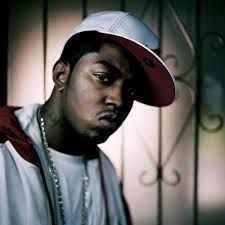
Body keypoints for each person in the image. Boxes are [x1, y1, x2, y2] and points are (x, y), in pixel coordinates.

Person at [0, 11, 176, 225]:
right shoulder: (5, 152)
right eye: (103, 78)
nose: (118, 100)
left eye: (130, 91)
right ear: (61, 75)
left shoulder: (105, 172)